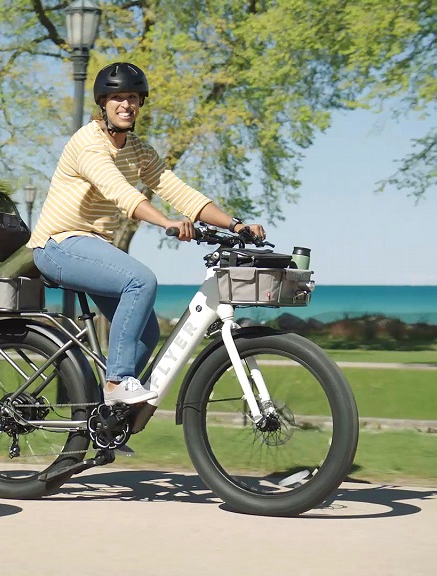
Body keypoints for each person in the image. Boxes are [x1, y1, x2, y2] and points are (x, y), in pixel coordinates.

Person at [28, 62, 266, 406]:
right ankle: (116, 383)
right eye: (117, 98)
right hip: (58, 244)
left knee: (149, 332)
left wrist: (234, 224)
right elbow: (120, 192)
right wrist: (166, 222)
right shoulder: (87, 143)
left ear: (140, 104)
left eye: (133, 98)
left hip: (92, 246)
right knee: (141, 281)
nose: (126, 105)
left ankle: (102, 418)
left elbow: (175, 189)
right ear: (103, 104)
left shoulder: (137, 148)